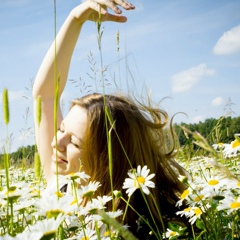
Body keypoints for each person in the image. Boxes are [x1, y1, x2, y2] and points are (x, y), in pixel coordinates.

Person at [32, 0, 189, 238]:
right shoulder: (60, 186)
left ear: (108, 159)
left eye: (74, 142)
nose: (56, 143)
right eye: (61, 129)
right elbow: (44, 96)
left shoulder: (137, 228)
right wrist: (76, 19)